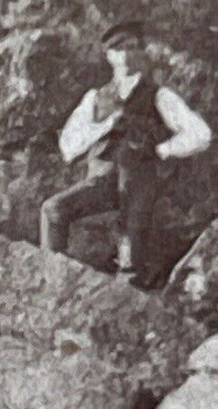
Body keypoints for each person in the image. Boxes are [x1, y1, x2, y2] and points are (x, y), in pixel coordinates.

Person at [40, 21, 212, 284]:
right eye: (120, 48)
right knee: (53, 210)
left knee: (130, 248)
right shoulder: (96, 98)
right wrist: (107, 125)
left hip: (142, 182)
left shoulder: (158, 95)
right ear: (109, 55)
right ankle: (50, 276)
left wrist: (163, 149)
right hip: (102, 182)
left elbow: (201, 134)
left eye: (134, 47)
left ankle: (128, 276)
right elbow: (68, 146)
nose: (129, 54)